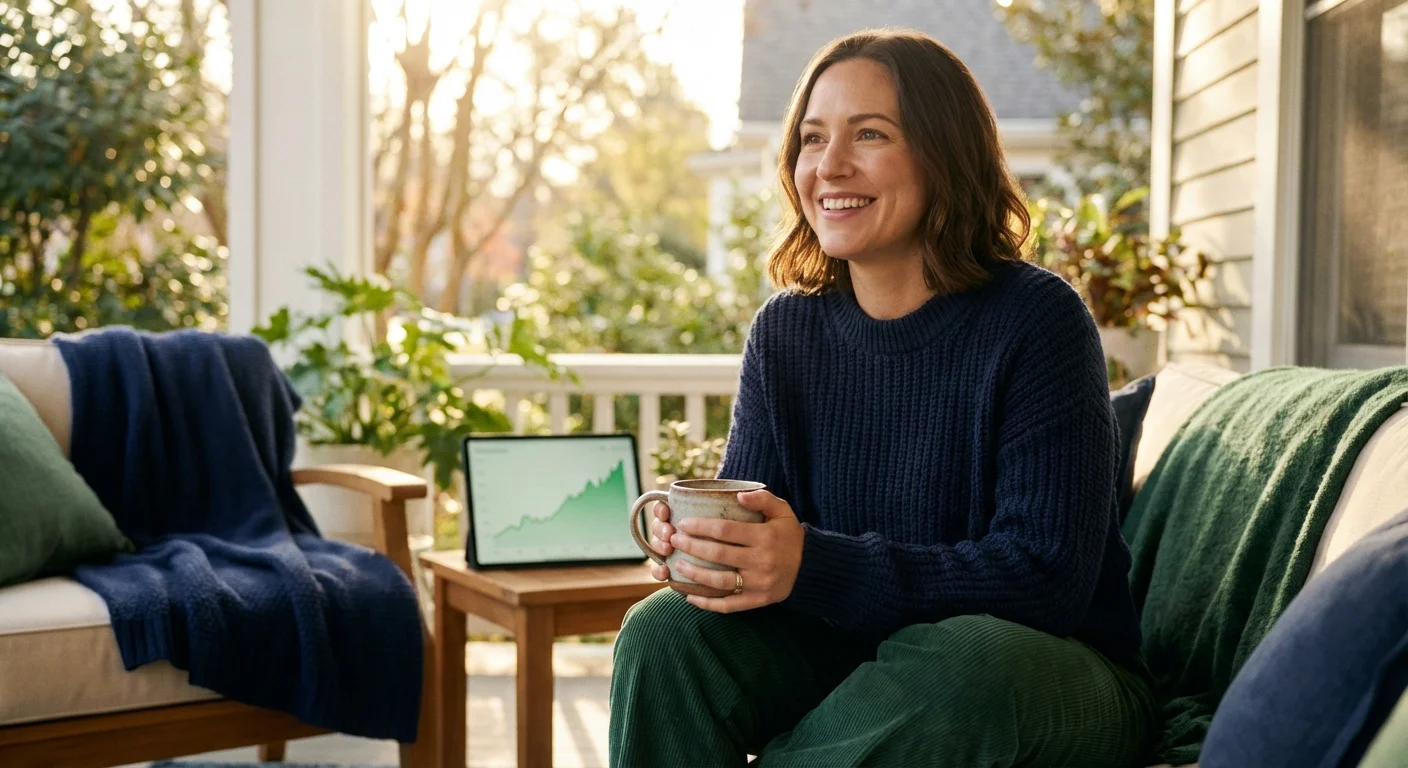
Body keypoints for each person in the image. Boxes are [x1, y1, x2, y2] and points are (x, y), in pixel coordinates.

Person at [609, 28, 1155, 767]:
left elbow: (1044, 578)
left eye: (870, 133)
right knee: (665, 633)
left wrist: (811, 565)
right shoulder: (787, 333)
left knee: (959, 658)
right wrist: (716, 557)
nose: (829, 165)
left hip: (1044, 670)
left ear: (943, 152)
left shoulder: (1038, 320)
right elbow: (760, 533)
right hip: (849, 651)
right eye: (811, 138)